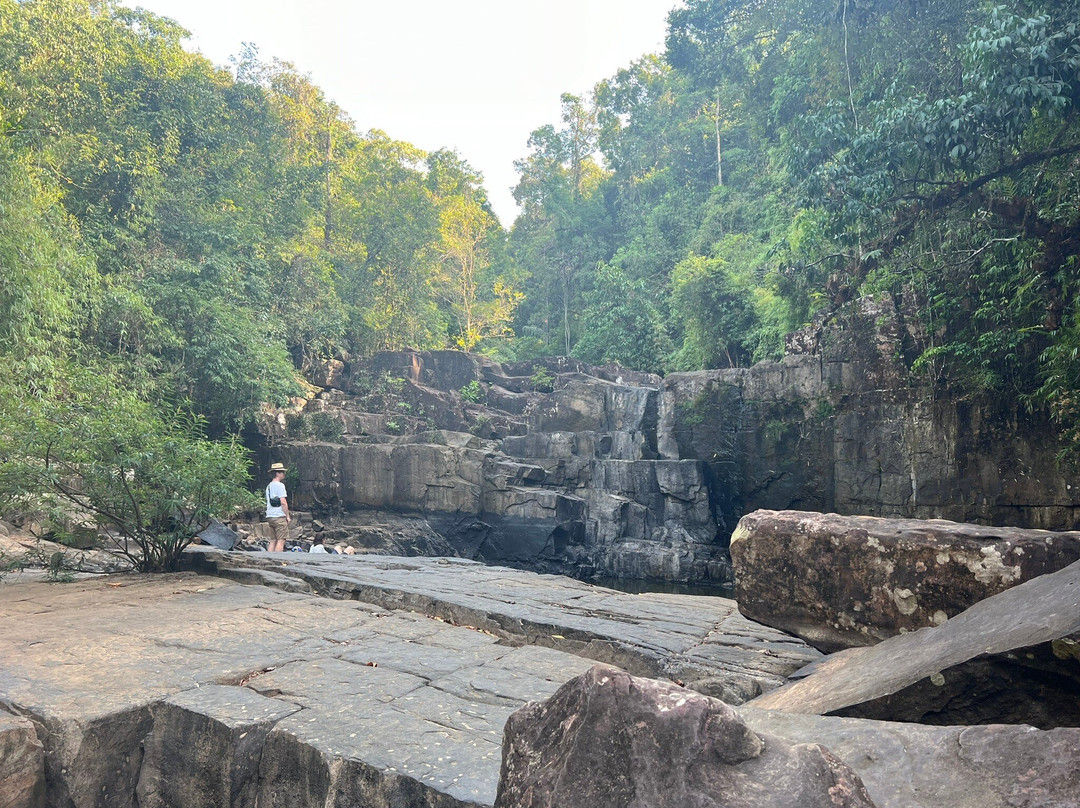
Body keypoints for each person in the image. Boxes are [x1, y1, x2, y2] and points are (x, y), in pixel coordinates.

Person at [265, 462, 290, 552]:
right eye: (282, 472)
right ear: (277, 473)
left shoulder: (269, 486)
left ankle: (268, 561)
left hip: (270, 516)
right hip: (279, 516)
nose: (284, 474)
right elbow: (283, 502)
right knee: (281, 540)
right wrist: (287, 516)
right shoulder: (280, 485)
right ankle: (277, 561)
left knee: (273, 540)